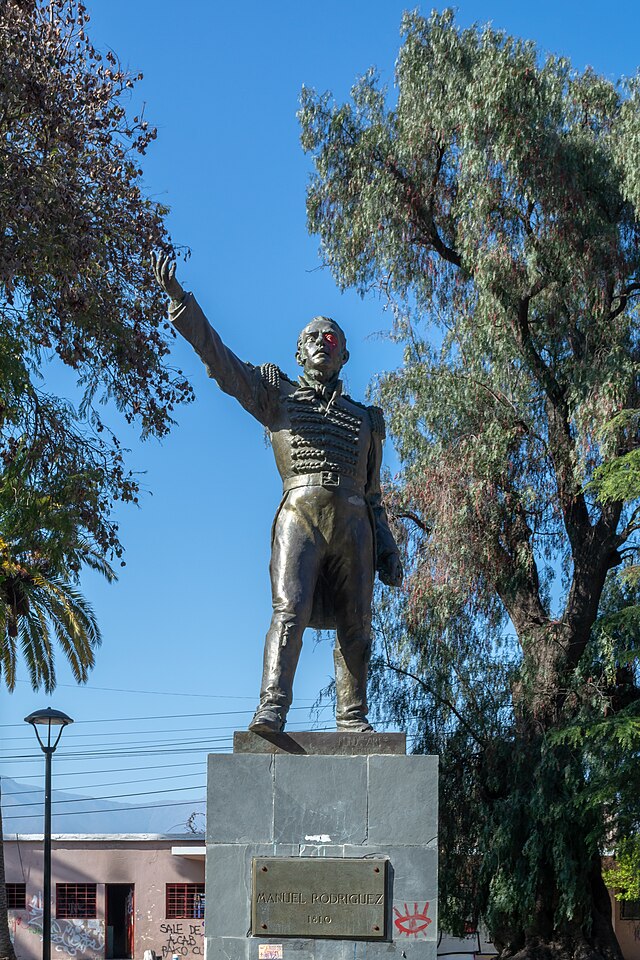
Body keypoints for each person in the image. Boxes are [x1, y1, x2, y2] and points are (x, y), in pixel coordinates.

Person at [153, 253, 402, 734]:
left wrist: (387, 545)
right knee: (288, 611)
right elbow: (222, 363)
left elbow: (374, 494)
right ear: (298, 352)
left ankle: (353, 718)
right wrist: (182, 303)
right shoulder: (277, 396)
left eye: (333, 339)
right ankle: (271, 707)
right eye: (314, 337)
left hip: (355, 525)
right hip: (300, 518)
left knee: (358, 623)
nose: (324, 343)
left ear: (345, 356)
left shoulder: (366, 418)